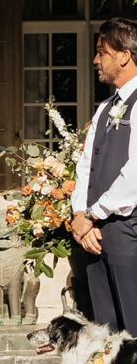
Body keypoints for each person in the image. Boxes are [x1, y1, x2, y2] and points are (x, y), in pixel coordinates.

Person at [71, 17, 137, 338]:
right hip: (96, 236)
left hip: (129, 231)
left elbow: (134, 174)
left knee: (134, 333)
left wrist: (94, 214)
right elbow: (86, 165)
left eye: (102, 52)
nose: (95, 60)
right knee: (106, 335)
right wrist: (80, 216)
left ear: (124, 55)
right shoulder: (105, 108)